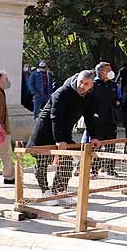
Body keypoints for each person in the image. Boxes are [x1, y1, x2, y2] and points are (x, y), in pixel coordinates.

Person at [26, 70, 97, 204]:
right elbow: (55, 117)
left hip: (64, 132)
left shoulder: (88, 95)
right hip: (45, 131)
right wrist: (59, 140)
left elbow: (89, 116)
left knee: (67, 162)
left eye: (86, 83)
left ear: (92, 84)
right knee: (42, 162)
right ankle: (45, 192)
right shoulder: (62, 92)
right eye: (81, 82)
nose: (82, 86)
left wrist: (93, 136)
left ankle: (60, 191)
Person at [86, 62, 121, 176]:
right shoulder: (94, 84)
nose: (111, 71)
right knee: (96, 146)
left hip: (111, 120)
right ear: (101, 72)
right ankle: (94, 170)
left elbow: (117, 100)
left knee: (111, 145)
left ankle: (110, 169)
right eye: (108, 69)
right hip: (97, 121)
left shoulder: (113, 85)